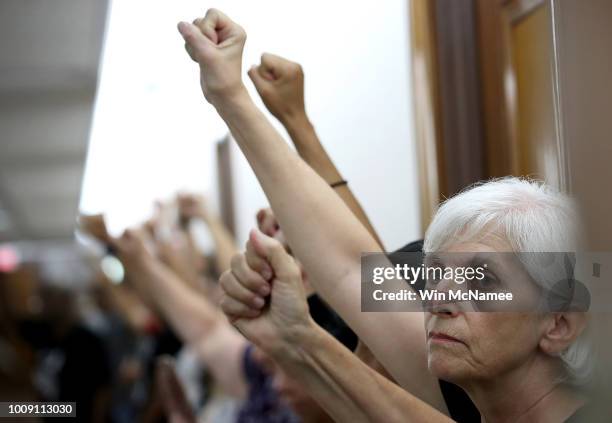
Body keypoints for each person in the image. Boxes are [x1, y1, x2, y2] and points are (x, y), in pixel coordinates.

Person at [178, 10, 592, 421]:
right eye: (436, 274)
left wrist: (299, 341)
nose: (440, 298)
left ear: (557, 323)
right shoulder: (470, 390)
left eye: (483, 279)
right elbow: (350, 271)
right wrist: (230, 95)